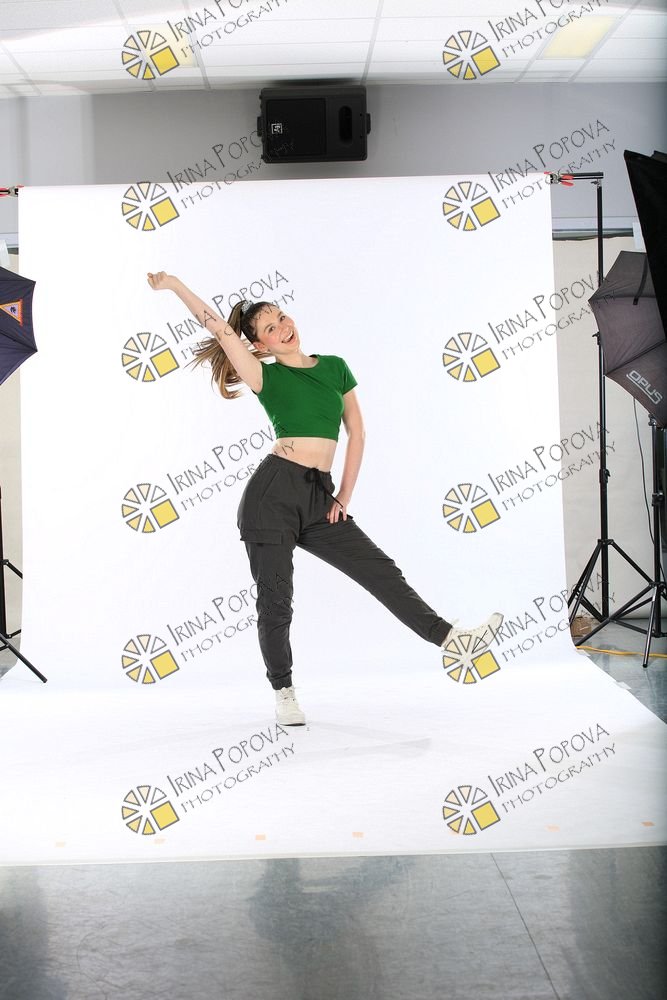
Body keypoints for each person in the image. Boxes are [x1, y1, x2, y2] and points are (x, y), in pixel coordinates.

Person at [147, 272, 503, 725]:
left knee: (381, 571)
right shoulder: (264, 375)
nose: (283, 328)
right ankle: (284, 693)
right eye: (270, 328)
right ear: (259, 345)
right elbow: (219, 328)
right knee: (276, 603)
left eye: (281, 317)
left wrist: (344, 495)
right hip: (271, 497)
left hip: (320, 497)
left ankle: (453, 641)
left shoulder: (335, 367)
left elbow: (357, 432)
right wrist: (174, 285)